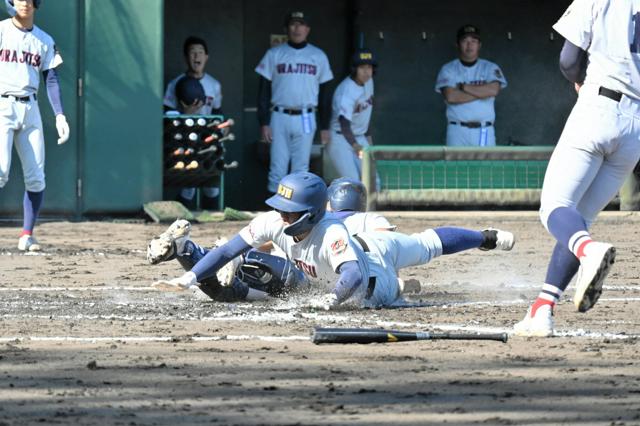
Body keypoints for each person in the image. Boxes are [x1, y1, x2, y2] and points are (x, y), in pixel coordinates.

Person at [150, 172, 516, 308]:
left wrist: (333, 298)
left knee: (425, 246)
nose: (281, 215)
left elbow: (354, 274)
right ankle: (483, 238)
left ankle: (483, 238)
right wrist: (188, 278)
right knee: (423, 244)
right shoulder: (274, 222)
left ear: (312, 212)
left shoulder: (333, 231)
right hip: (354, 255)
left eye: (289, 210)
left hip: (373, 280)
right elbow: (230, 248)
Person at [513, 0, 640, 337]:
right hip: (636, 128)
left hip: (600, 106)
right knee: (578, 222)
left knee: (554, 209)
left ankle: (589, 250)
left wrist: (578, 81)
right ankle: (542, 309)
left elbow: (568, 61)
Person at [0, 0, 70, 252]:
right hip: (2, 104)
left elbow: (51, 79)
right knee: (0, 172)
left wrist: (59, 115)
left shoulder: (44, 40)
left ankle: (27, 234)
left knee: (36, 178)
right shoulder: (2, 30)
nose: (25, 3)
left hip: (30, 108)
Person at [255, 11, 333, 194]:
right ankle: (276, 215)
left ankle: (297, 215)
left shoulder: (318, 55)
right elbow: (263, 91)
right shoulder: (274, 53)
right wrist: (264, 122)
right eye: (293, 24)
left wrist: (325, 126)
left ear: (308, 29)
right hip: (279, 116)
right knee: (277, 167)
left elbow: (324, 95)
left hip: (307, 115)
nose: (297, 28)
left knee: (301, 169)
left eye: (301, 24)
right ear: (286, 28)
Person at [164, 36, 222, 209]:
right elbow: (165, 114)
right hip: (184, 138)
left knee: (211, 185)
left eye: (200, 52)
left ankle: (212, 223)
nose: (196, 56)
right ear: (186, 57)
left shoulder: (214, 84)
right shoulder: (175, 83)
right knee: (187, 186)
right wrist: (184, 114)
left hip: (208, 139)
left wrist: (222, 129)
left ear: (206, 57)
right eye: (192, 52)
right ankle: (183, 223)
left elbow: (218, 112)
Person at [435, 25, 507, 147]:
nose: (469, 45)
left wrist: (463, 87)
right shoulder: (448, 69)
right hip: (457, 130)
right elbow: (451, 97)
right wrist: (483, 93)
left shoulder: (490, 67)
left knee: (486, 166)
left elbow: (493, 90)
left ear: (479, 45)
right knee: (456, 167)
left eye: (474, 41)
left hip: (484, 129)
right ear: (457, 45)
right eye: (465, 41)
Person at [326, 49, 376, 182]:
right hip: (340, 139)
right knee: (353, 182)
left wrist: (368, 137)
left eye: (369, 67)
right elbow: (344, 123)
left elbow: (365, 113)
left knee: (373, 180)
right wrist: (355, 145)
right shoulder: (346, 90)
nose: (366, 72)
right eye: (362, 67)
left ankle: (371, 204)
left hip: (359, 136)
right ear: (354, 69)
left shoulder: (369, 82)